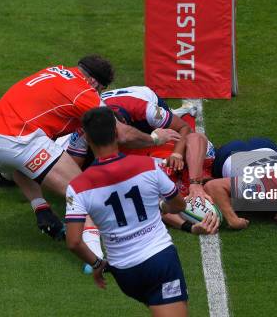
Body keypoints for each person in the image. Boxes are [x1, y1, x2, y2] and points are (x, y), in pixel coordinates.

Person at [0, 55, 181, 240]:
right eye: (100, 89)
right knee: (85, 191)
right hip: (18, 142)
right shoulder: (82, 91)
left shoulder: (55, 70)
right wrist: (154, 138)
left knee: (26, 163)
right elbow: (121, 134)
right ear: (93, 82)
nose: (99, 94)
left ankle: (41, 209)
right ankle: (95, 255)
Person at [66, 107, 191, 316]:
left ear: (87, 139)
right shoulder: (148, 165)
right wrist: (160, 206)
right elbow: (179, 205)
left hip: (125, 273)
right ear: (117, 134)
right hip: (159, 262)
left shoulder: (78, 186)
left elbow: (74, 242)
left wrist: (98, 264)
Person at [68, 85, 214, 205]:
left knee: (236, 154)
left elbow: (194, 136)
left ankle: (175, 113)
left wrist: (194, 181)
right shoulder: (86, 131)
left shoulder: (144, 109)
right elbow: (72, 176)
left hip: (140, 101)